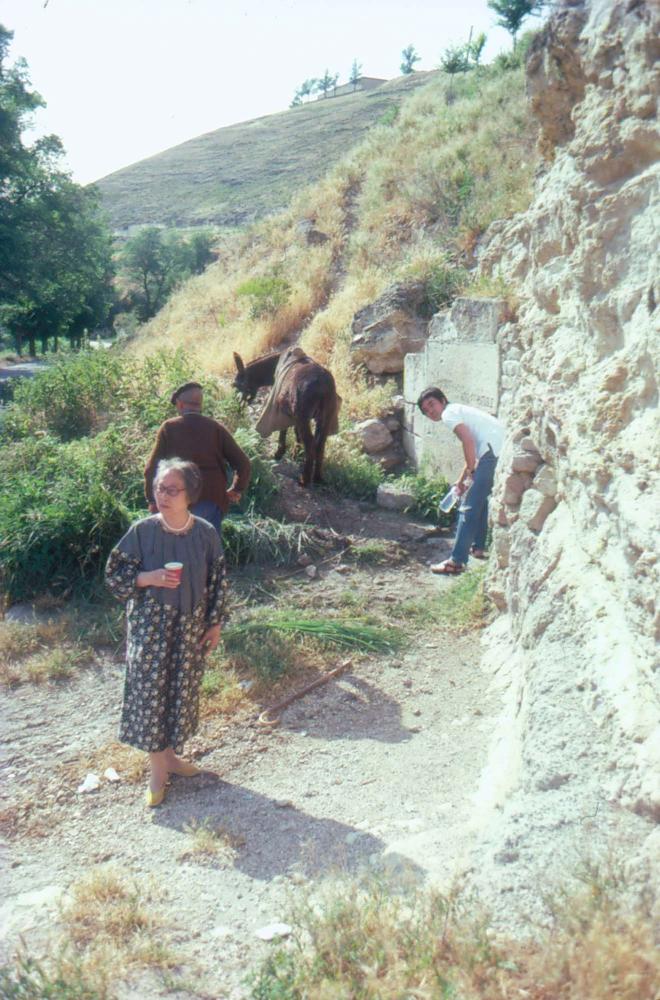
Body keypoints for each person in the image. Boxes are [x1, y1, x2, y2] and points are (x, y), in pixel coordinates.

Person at [106, 459, 227, 807]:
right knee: (150, 697)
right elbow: (114, 576)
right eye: (160, 488)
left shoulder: (205, 533)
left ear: (190, 495)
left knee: (180, 692)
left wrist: (215, 623)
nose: (164, 495)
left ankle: (171, 758)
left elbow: (217, 580)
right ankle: (157, 771)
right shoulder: (142, 531)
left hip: (188, 628)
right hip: (150, 630)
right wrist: (148, 577)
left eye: (172, 489)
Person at [417, 387, 505, 575]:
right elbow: (473, 451)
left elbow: (468, 441)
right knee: (479, 501)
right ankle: (478, 547)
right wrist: (462, 480)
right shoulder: (458, 410)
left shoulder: (449, 414)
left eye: (431, 404)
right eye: (426, 411)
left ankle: (456, 562)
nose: (430, 411)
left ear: (442, 399)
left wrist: (472, 470)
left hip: (492, 452)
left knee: (468, 507)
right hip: (496, 449)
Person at [144, 381, 251, 535]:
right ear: (200, 405)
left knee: (177, 547)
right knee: (207, 550)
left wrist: (152, 500)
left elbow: (151, 468)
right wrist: (236, 489)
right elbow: (243, 464)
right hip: (211, 499)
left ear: (180, 405)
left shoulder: (169, 428)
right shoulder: (216, 428)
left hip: (176, 499)